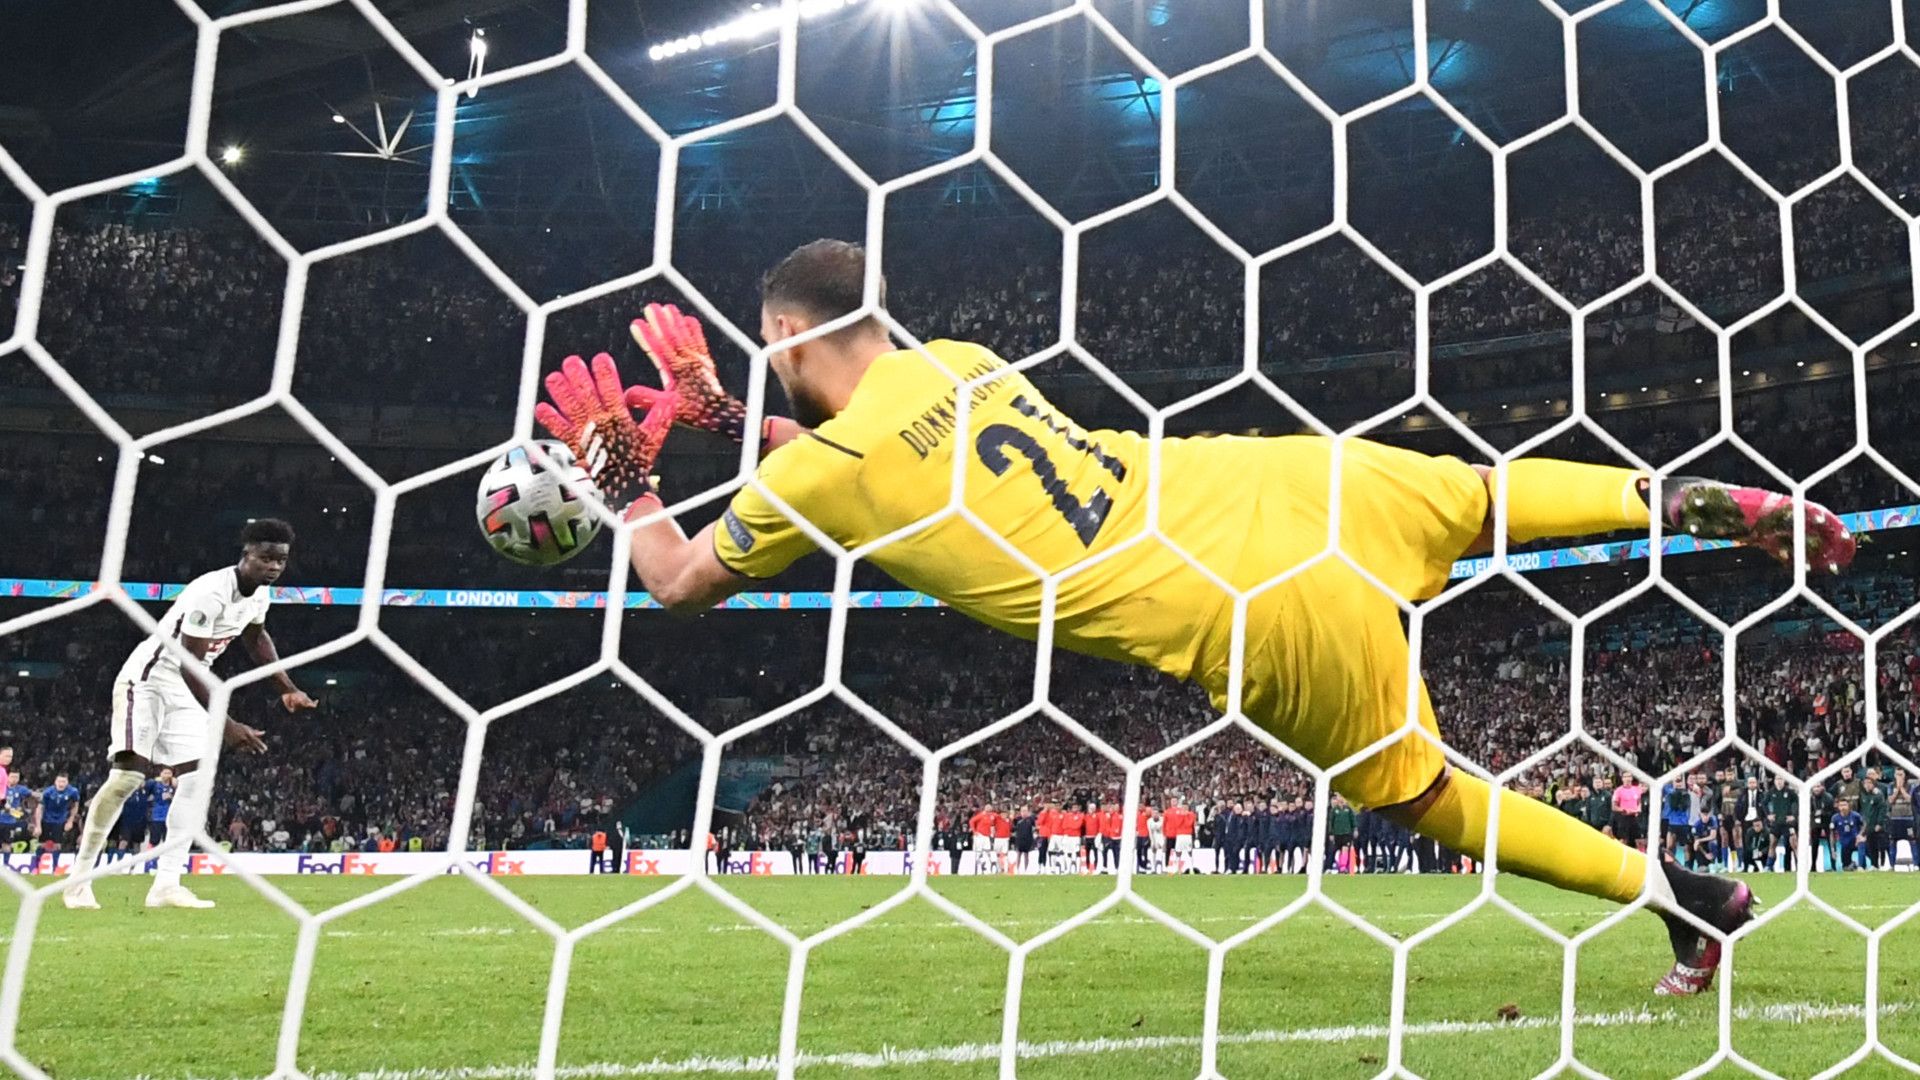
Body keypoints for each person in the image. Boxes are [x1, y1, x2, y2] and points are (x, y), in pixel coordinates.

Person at [534, 244, 1862, 992]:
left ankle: (1684, 896)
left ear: (784, 331)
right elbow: (873, 462)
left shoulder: (823, 471)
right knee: (1475, 496)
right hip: (1267, 482)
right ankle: (1685, 499)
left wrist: (629, 481)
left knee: (1430, 798)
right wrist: (729, 415)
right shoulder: (964, 364)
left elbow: (681, 580)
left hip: (1246, 610)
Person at [63, 519, 317, 910]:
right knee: (128, 776)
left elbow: (255, 637)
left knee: (198, 778)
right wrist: (227, 726)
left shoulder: (258, 596)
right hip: (148, 680)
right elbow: (189, 663)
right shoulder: (210, 592)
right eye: (265, 558)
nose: (273, 567)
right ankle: (79, 881)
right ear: (245, 554)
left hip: (185, 686)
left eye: (280, 560)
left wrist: (286, 688)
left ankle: (167, 884)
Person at [33, 775, 81, 853]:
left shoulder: (73, 792)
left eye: (63, 782)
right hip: (46, 819)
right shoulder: (48, 792)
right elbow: (39, 808)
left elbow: (75, 806)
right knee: (43, 844)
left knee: (57, 845)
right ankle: (39, 859)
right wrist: (38, 825)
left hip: (61, 820)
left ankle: (55, 860)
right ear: (55, 782)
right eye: (59, 781)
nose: (61, 784)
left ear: (67, 782)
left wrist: (70, 821)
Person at [1832, 798, 1864, 871]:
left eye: (1844, 805)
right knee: (1846, 868)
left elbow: (1864, 825)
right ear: (1838, 807)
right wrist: (1833, 848)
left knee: (1864, 848)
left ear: (1848, 806)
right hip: (1845, 845)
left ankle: (1865, 865)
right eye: (1841, 805)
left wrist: (1860, 835)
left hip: (1856, 842)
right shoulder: (1835, 818)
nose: (1843, 807)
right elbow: (1831, 833)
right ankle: (1853, 865)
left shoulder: (1856, 815)